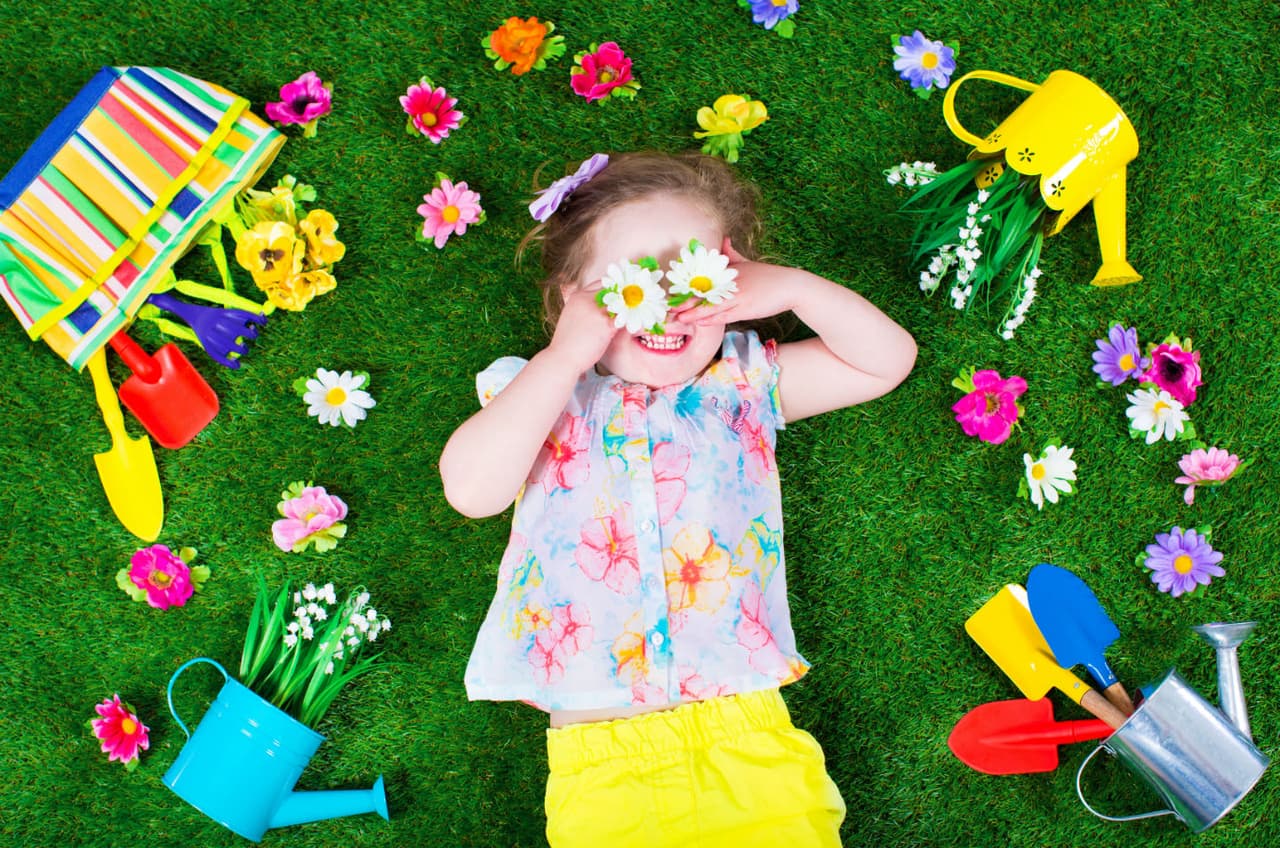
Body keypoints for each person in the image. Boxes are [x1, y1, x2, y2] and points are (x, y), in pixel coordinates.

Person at [439, 151, 917, 847]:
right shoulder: (541, 395)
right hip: (600, 763)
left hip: (747, 738)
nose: (661, 301)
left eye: (689, 277)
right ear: (570, 295)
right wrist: (564, 358)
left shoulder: (743, 387)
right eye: (626, 284)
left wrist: (794, 290)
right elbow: (471, 491)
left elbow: (884, 361)